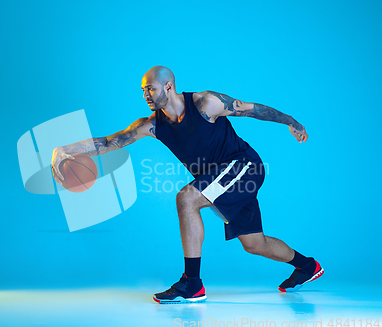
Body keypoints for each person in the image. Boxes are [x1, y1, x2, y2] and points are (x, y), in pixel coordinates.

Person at [51, 65, 323, 304]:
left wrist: (292, 121)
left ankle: (192, 283)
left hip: (244, 166)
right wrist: (64, 149)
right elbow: (110, 142)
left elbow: (252, 109)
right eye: (143, 91)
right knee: (254, 244)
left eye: (150, 89)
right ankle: (306, 266)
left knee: (186, 198)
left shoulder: (206, 104)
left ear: (168, 86)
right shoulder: (153, 125)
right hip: (222, 179)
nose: (145, 95)